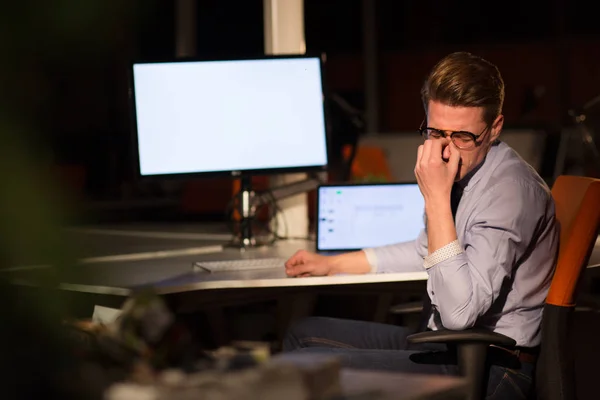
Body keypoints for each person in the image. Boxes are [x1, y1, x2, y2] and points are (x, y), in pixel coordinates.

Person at [282, 52, 559, 399]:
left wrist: (436, 200)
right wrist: (333, 264)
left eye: (461, 136)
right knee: (302, 333)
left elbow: (459, 314)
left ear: (495, 128)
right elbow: (426, 252)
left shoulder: (510, 194)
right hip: (446, 345)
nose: (445, 150)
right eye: (434, 132)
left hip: (491, 366)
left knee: (306, 367)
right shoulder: (466, 175)